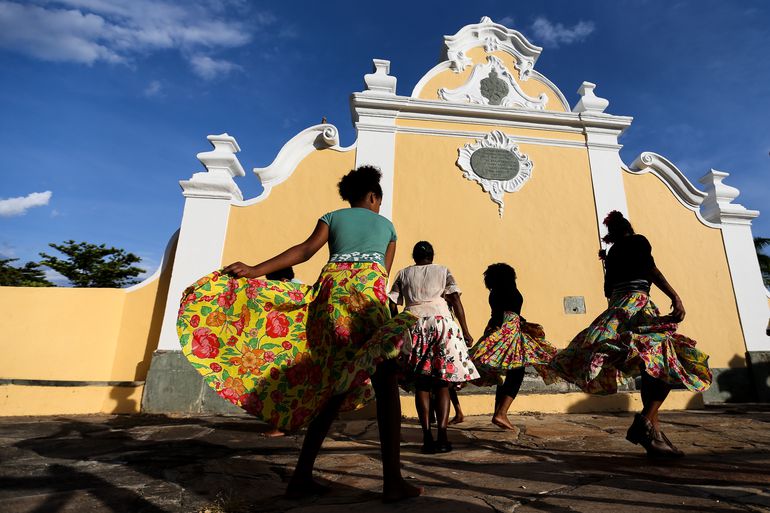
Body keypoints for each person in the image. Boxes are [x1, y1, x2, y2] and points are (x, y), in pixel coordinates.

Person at [177, 165, 422, 502]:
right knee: (385, 383)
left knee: (332, 388)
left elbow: (305, 251)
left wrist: (255, 270)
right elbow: (383, 273)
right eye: (378, 199)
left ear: (350, 197)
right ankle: (392, 480)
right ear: (373, 196)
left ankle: (302, 476)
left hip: (330, 304)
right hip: (366, 304)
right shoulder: (388, 227)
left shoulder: (333, 217)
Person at [550, 210, 711, 458]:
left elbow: (608, 290)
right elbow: (650, 270)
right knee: (665, 365)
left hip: (617, 308)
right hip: (638, 305)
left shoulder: (612, 253)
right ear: (629, 228)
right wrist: (675, 297)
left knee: (652, 368)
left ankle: (654, 434)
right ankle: (646, 421)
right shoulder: (638, 241)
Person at [388, 241, 479, 453]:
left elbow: (392, 302)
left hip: (413, 323)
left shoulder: (403, 274)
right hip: (441, 323)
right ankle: (443, 437)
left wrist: (396, 324)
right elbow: (455, 299)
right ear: (432, 255)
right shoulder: (443, 270)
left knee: (422, 383)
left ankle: (427, 438)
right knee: (442, 382)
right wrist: (465, 330)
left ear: (414, 256)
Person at [469, 263, 559, 431]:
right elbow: (507, 313)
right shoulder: (509, 290)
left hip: (503, 328)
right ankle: (501, 413)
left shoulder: (495, 292)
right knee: (516, 371)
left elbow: (499, 313)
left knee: (505, 373)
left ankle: (499, 413)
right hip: (509, 331)